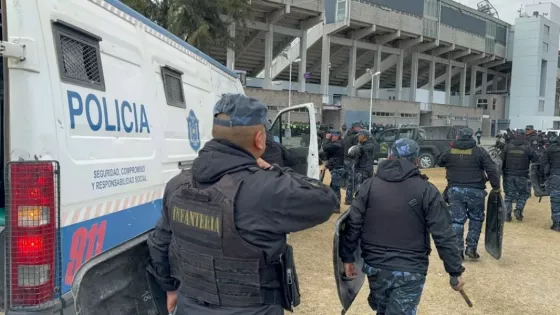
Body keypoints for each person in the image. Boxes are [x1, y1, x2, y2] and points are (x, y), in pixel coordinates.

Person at [147, 93, 339, 315]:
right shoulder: (266, 188)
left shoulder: (177, 185)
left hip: (190, 304)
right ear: (259, 139)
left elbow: (160, 242)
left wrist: (170, 289)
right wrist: (273, 169)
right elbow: (326, 199)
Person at [339, 138, 465, 315]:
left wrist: (347, 258)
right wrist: (454, 270)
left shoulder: (369, 186)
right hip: (410, 269)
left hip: (376, 266)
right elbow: (443, 233)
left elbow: (353, 225)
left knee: (382, 310)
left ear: (390, 156)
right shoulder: (427, 190)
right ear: (416, 160)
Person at [436, 128, 500, 259]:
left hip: (455, 191)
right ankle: (471, 248)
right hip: (476, 191)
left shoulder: (450, 151)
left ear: (458, 136)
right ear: (471, 136)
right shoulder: (479, 151)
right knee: (476, 219)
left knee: (456, 221)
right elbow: (492, 169)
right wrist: (496, 186)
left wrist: (450, 148)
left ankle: (458, 251)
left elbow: (439, 161)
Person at [500, 132, 539, 222]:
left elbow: (501, 160)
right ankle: (519, 209)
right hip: (522, 176)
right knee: (524, 193)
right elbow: (536, 159)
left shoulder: (507, 147)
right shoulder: (527, 147)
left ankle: (507, 215)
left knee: (509, 195)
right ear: (524, 137)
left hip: (508, 175)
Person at [540, 136, 560, 232]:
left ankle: (557, 224)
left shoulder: (550, 149)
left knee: (556, 200)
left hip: (555, 176)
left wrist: (542, 178)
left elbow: (543, 164)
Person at [322, 130, 345, 212]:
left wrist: (326, 139)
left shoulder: (338, 144)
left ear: (338, 136)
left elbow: (325, 147)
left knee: (335, 187)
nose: (332, 137)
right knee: (333, 186)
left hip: (337, 168)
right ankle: (334, 205)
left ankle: (336, 207)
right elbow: (332, 156)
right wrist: (327, 165)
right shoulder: (338, 143)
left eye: (334, 136)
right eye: (332, 136)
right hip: (336, 166)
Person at [347, 130, 375, 195]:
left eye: (359, 136)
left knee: (362, 191)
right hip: (361, 170)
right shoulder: (361, 144)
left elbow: (360, 149)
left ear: (363, 136)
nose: (358, 137)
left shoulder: (370, 145)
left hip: (365, 171)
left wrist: (356, 149)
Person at [343, 122, 363, 205]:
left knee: (349, 179)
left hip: (345, 159)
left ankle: (348, 198)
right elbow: (356, 149)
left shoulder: (347, 135)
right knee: (352, 179)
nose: (360, 129)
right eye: (359, 127)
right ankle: (349, 199)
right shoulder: (355, 137)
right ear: (355, 127)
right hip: (351, 160)